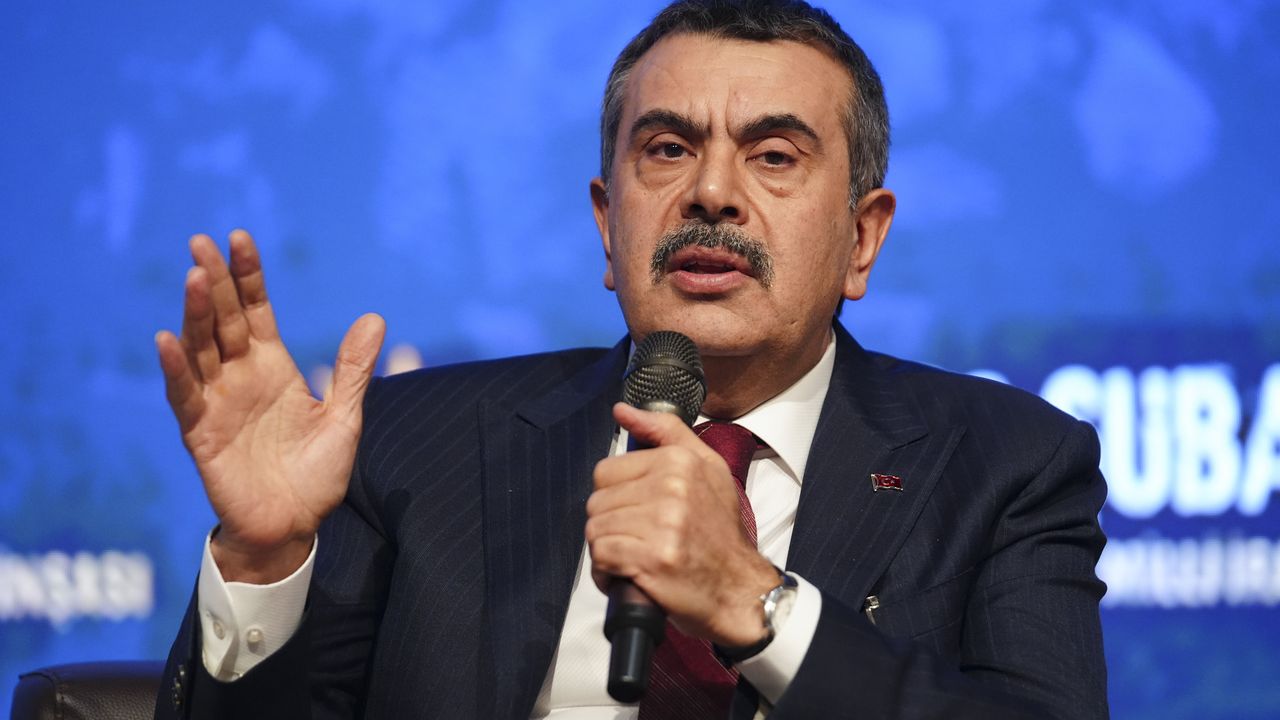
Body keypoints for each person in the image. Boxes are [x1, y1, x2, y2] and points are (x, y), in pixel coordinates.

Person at [153, 1, 1109, 718]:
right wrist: (265, 560)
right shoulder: (409, 445)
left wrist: (755, 603)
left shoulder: (1005, 463)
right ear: (608, 225)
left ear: (862, 239)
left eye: (774, 156)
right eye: (667, 148)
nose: (712, 193)